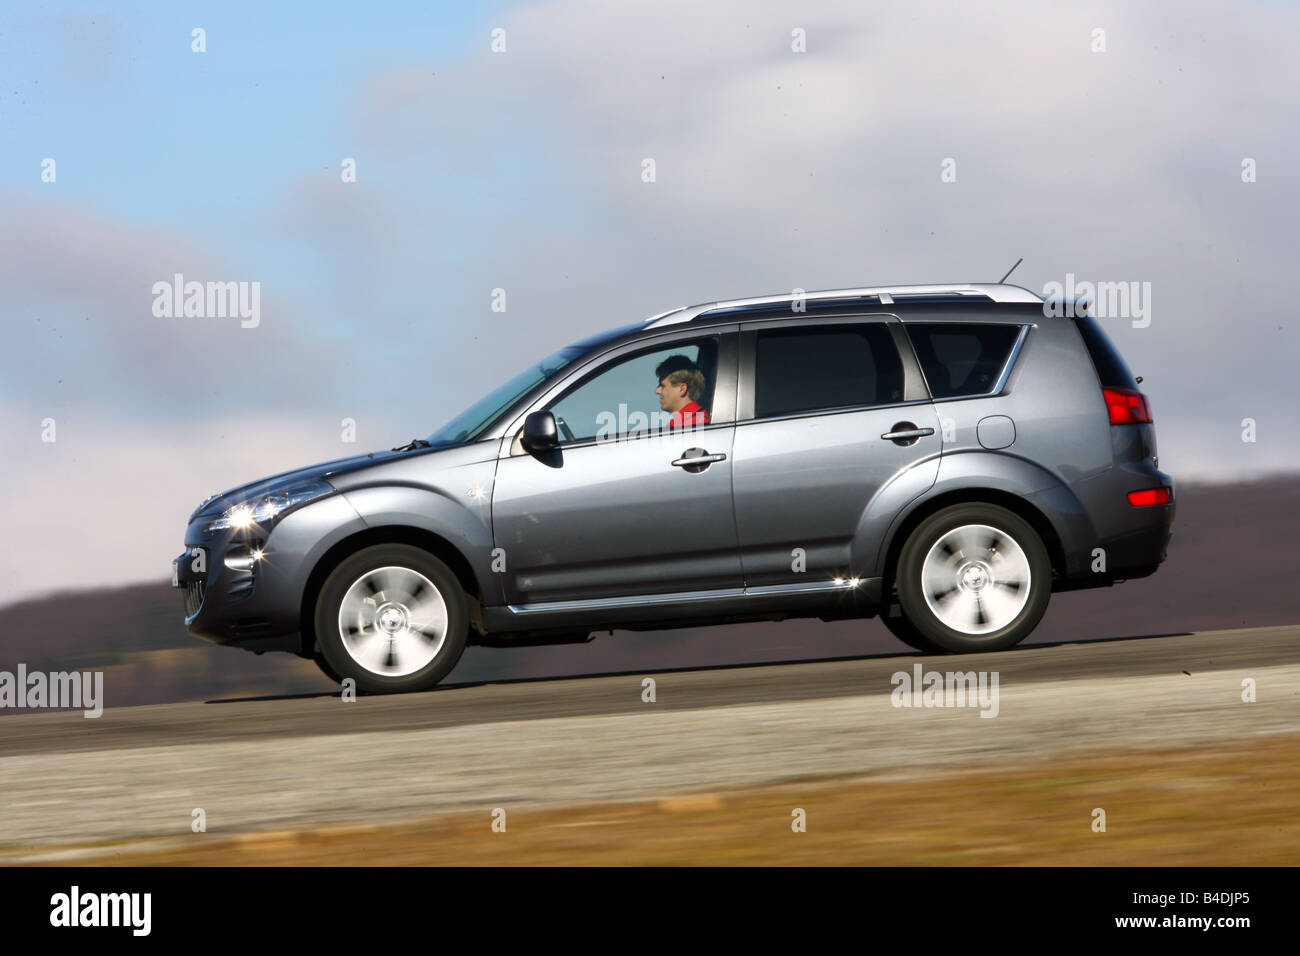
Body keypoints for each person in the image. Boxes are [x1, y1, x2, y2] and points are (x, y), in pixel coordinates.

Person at [655, 354, 711, 429]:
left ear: (682, 389)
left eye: (662, 386)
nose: (657, 391)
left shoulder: (694, 424)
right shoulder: (686, 422)